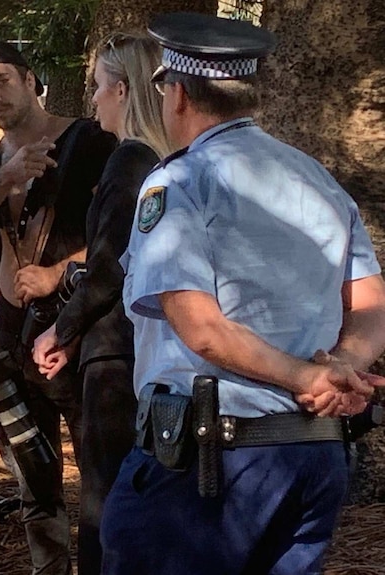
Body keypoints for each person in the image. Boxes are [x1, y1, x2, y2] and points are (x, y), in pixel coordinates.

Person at [100, 13, 385, 575]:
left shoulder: (176, 183)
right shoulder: (316, 179)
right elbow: (371, 302)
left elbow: (201, 328)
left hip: (210, 466)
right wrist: (344, 367)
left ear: (177, 93)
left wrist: (308, 378)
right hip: (313, 454)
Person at [0, 41, 116, 575]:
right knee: (32, 476)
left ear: (31, 79)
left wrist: (59, 272)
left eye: (2, 81)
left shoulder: (93, 142)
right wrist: (5, 178)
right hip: (12, 340)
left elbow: (125, 236)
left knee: (100, 481)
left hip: (82, 332)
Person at [30, 33, 171, 573]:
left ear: (122, 90)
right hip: (148, 353)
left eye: (96, 88)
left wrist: (59, 331)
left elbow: (111, 264)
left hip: (115, 355)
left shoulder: (130, 160)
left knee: (105, 504)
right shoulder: (167, 162)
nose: (91, 101)